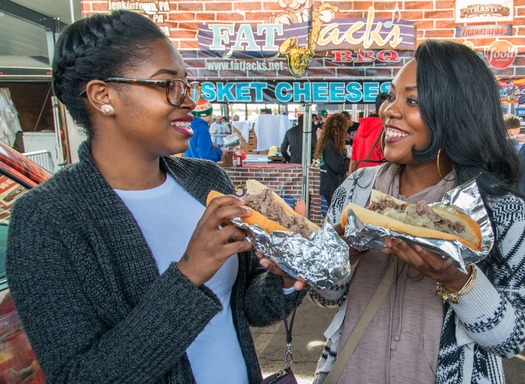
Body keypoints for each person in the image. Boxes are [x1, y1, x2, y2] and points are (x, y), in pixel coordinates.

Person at [5, 10, 306, 384]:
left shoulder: (205, 180)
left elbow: (245, 307)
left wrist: (284, 275)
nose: (190, 101)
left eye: (187, 84)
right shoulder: (47, 219)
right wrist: (189, 273)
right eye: (168, 85)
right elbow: (77, 377)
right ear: (103, 96)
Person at [310, 40, 525, 384]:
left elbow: (514, 338)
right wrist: (341, 255)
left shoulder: (501, 212)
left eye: (411, 100)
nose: (389, 110)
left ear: (454, 113)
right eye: (392, 95)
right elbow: (323, 296)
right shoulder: (356, 189)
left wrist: (457, 280)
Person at [313, 113, 350, 208]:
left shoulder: (327, 142)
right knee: (335, 217)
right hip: (332, 187)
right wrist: (349, 161)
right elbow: (337, 166)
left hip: (329, 185)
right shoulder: (330, 144)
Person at [348, 92, 389, 173]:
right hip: (377, 179)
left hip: (360, 178)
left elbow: (353, 159)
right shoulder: (385, 128)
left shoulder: (361, 127)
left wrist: (350, 180)